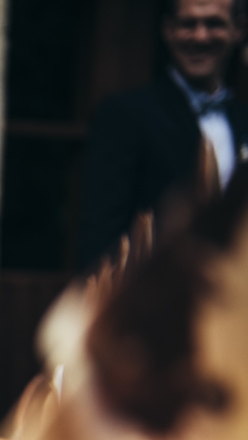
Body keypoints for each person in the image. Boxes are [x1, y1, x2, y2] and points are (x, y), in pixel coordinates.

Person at [78, 0, 248, 270]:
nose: (200, 36)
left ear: (239, 30)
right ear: (168, 30)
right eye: (188, 24)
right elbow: (101, 237)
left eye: (214, 23)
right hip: (155, 304)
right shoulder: (124, 115)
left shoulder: (243, 121)